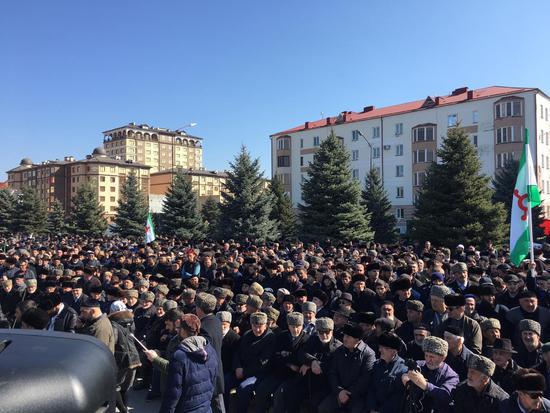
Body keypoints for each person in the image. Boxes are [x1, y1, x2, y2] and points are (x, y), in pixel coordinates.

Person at [159, 313, 219, 413]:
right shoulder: (210, 350)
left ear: (183, 330)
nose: (177, 330)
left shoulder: (180, 356)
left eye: (179, 328)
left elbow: (173, 393)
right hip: (205, 407)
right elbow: (213, 381)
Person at [318, 323, 375, 413]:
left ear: (357, 340)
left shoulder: (368, 354)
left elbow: (365, 379)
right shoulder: (339, 351)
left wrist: (348, 393)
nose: (344, 339)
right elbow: (332, 373)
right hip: (339, 392)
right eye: (344, 335)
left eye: (348, 337)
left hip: (357, 396)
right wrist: (339, 391)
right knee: (323, 408)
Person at [401, 336, 459, 413]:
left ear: (442, 358)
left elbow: (446, 395)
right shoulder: (418, 365)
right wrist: (404, 376)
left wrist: (425, 385)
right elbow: (404, 372)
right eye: (426, 355)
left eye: (432, 357)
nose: (428, 360)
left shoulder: (451, 376)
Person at [195, 293, 226, 413]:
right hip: (216, 371)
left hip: (208, 374)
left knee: (215, 406)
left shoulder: (204, 327)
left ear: (199, 308)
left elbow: (204, 353)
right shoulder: (216, 320)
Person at [367, 331, 408, 412]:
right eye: (380, 347)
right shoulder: (376, 365)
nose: (380, 350)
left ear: (394, 351)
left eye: (384, 348)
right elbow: (371, 388)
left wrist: (381, 411)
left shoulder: (403, 369)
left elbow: (397, 397)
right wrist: (372, 408)